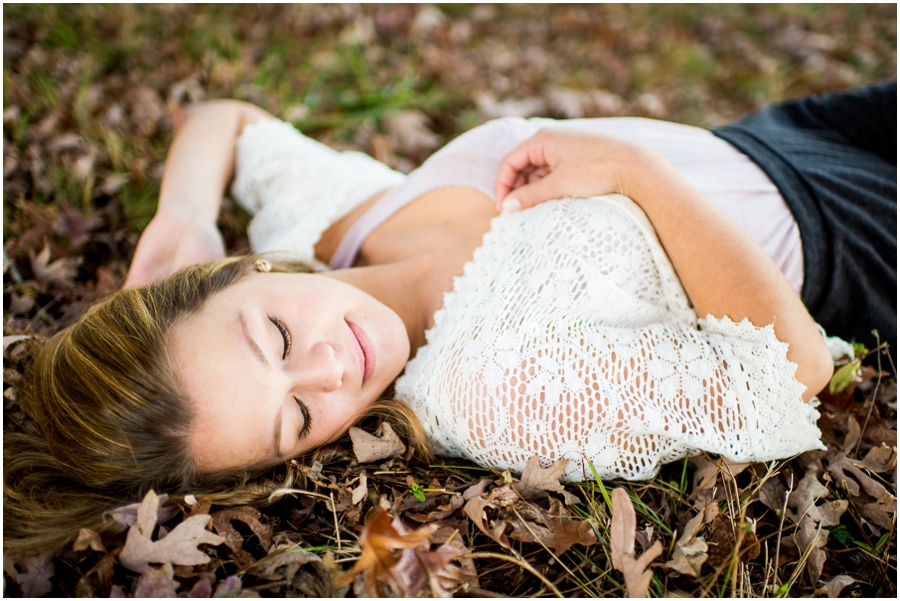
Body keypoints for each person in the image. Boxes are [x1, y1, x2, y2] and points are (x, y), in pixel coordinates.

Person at [5, 81, 895, 556]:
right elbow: (795, 370)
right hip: (857, 239)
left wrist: (185, 213)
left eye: (274, 336)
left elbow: (225, 120)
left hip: (773, 135)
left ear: (234, 271)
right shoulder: (492, 388)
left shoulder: (325, 225)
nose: (329, 369)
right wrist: (632, 171)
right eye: (298, 417)